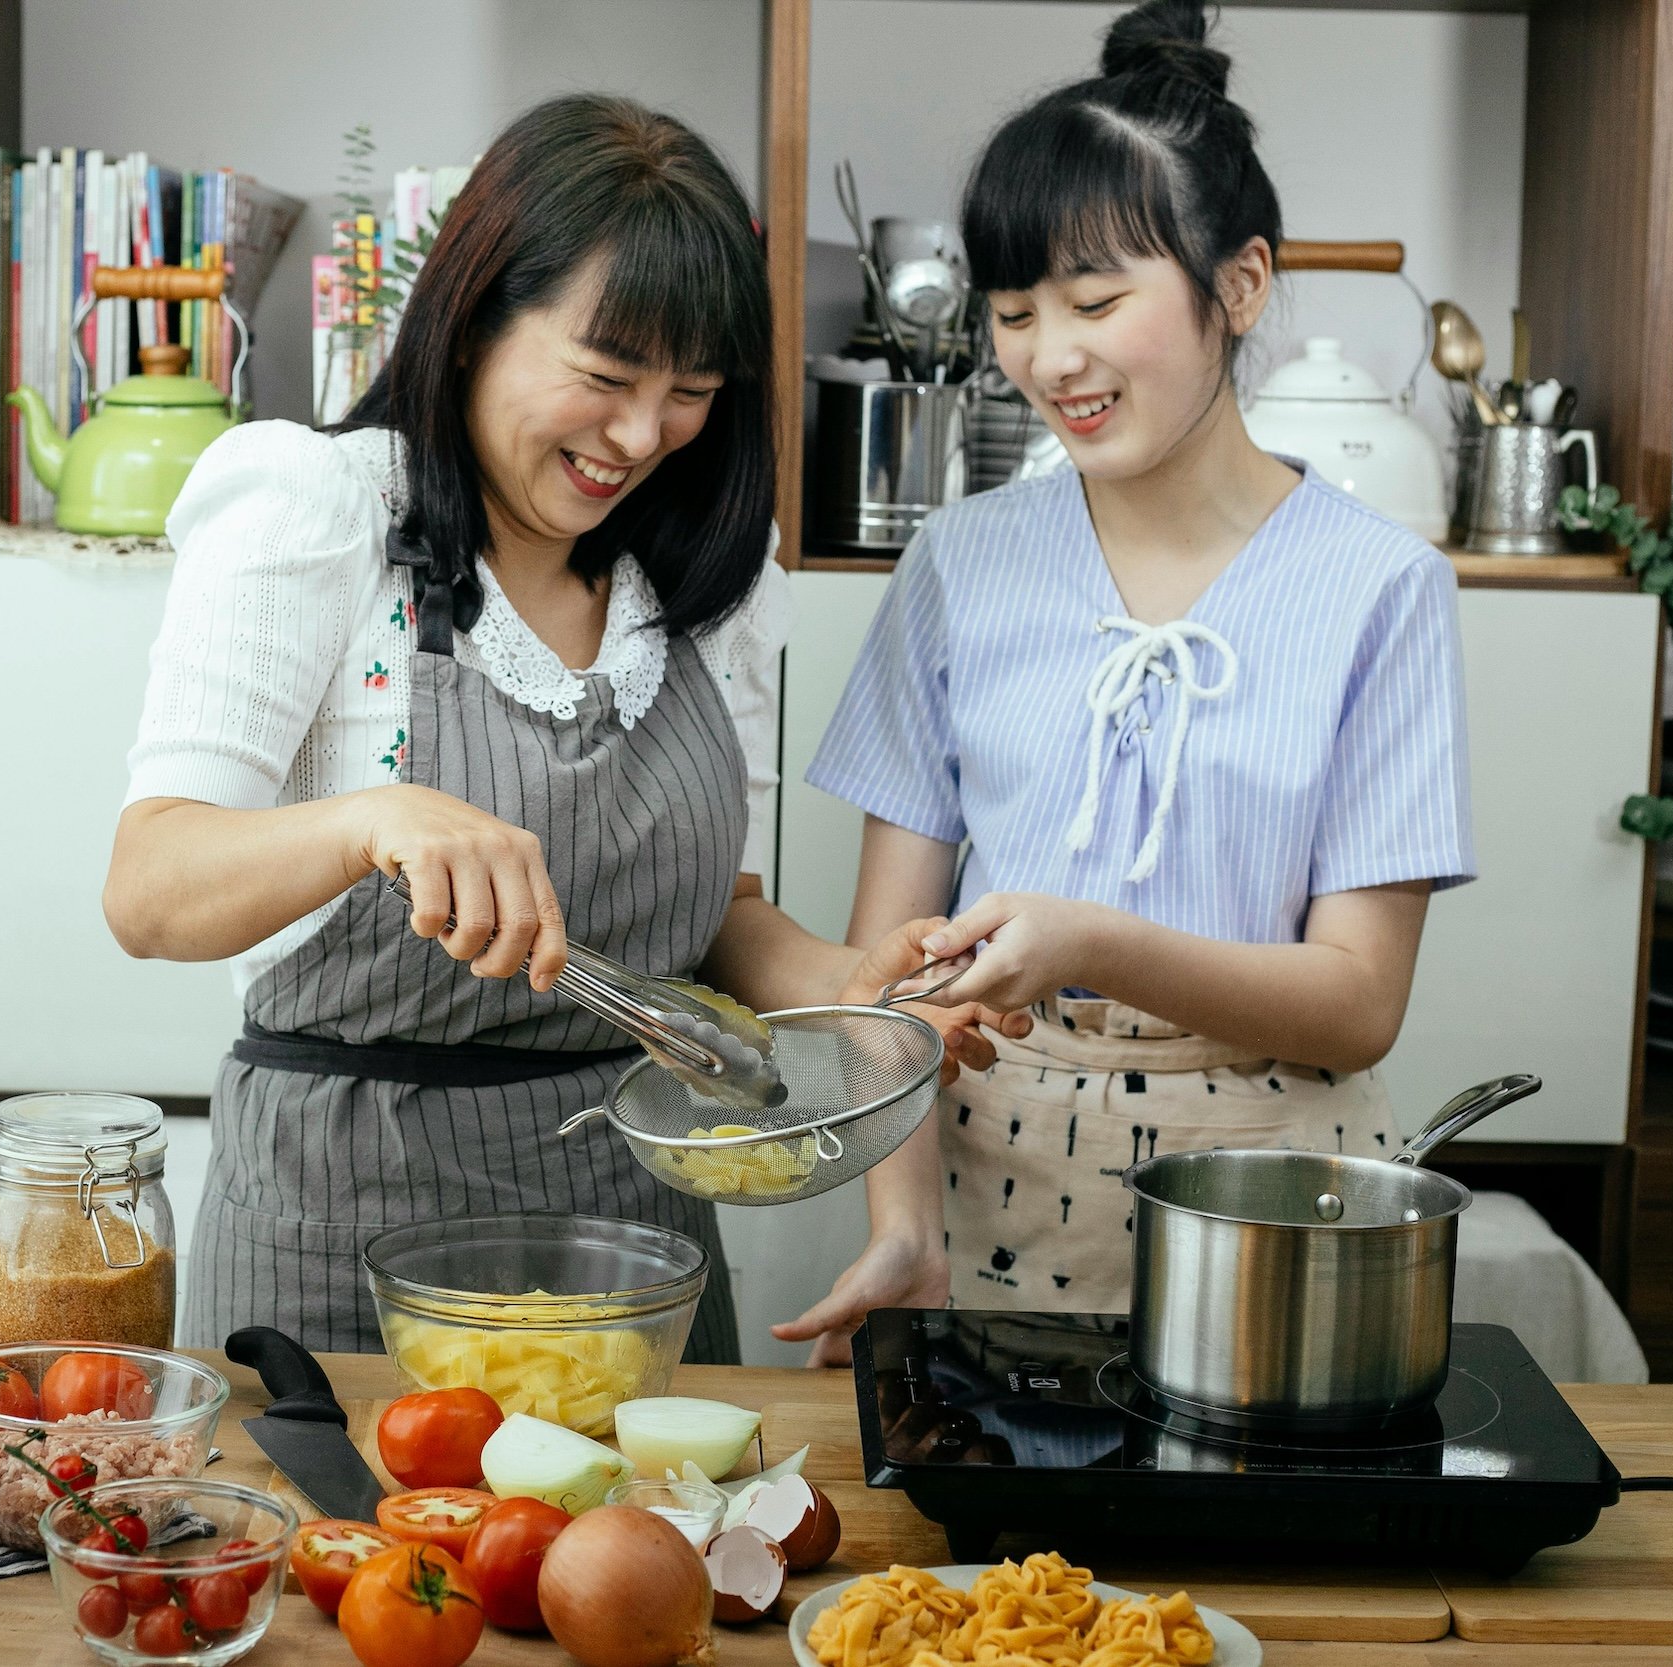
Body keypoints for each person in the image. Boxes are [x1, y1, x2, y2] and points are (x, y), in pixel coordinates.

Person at [105, 94, 1017, 1359]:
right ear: (477, 317)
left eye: (689, 391)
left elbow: (717, 920)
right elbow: (150, 886)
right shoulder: (317, 511)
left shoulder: (706, 580)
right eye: (603, 377)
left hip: (637, 1241)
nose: (641, 436)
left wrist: (843, 993)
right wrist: (374, 817)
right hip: (344, 1241)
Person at [776, 0, 1474, 1363]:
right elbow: (894, 983)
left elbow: (1357, 1001)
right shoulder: (957, 565)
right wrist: (903, 1221)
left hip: (1280, 1205)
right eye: (1018, 310)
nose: (1050, 357)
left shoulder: (1380, 586)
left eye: (1099, 302)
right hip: (992, 1189)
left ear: (1243, 285)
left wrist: (1093, 939)